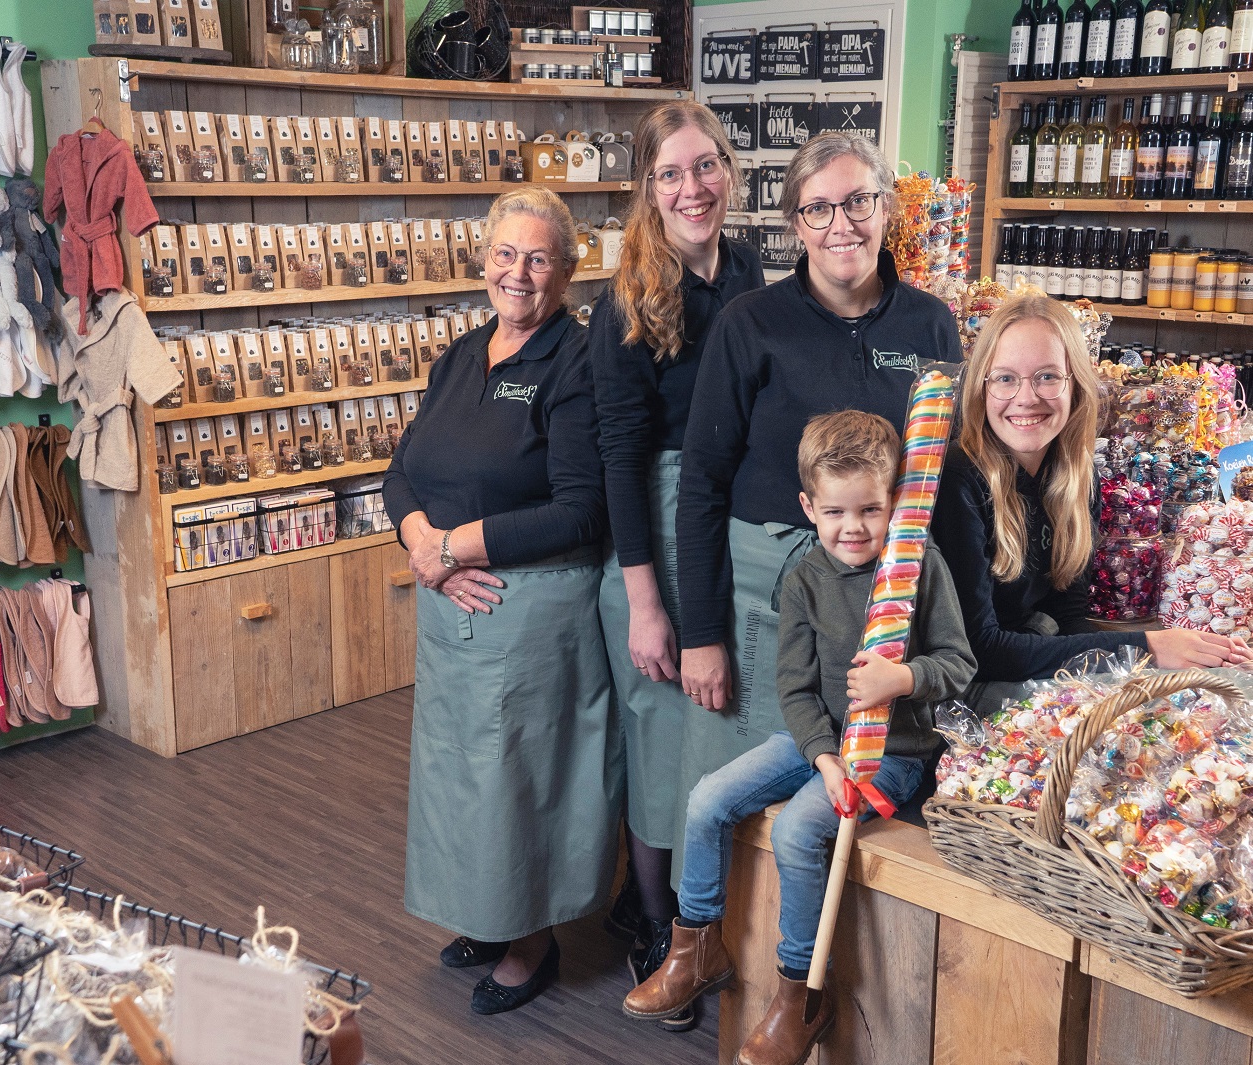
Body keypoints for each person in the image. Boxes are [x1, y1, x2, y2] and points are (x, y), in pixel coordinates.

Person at [625, 412, 976, 1065]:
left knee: (795, 831)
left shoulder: (919, 567)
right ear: (808, 507)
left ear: (894, 500)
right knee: (706, 798)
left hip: (892, 752)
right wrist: (822, 757)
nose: (855, 527)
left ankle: (800, 995)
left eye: (871, 508)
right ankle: (696, 943)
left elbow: (959, 665)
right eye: (836, 510)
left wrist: (902, 676)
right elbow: (794, 688)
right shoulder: (807, 576)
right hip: (818, 741)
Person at [672, 132, 962, 865]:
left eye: (859, 201)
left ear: (886, 207)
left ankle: (802, 966)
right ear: (794, 224)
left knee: (832, 813)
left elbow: (938, 479)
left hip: (885, 600)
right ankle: (709, 943)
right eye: (819, 208)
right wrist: (701, 632)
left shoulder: (930, 324)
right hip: (765, 596)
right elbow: (701, 481)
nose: (843, 224)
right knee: (736, 795)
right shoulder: (750, 322)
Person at [382, 187, 621, 1016]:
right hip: (450, 606)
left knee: (521, 780)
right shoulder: (460, 355)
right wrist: (423, 543)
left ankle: (531, 939)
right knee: (461, 777)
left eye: (539, 257)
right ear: (484, 258)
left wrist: (456, 547)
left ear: (567, 270)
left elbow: (580, 508)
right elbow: (400, 468)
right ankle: (486, 916)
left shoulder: (577, 361)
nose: (519, 272)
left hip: (534, 612)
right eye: (506, 254)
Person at [588, 99, 763, 1009]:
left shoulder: (748, 269)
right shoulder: (625, 295)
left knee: (711, 740)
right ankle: (660, 930)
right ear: (647, 189)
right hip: (653, 530)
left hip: (725, 519)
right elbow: (620, 456)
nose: (692, 187)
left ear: (728, 172)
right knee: (660, 747)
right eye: (671, 173)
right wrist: (648, 604)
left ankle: (695, 915)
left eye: (705, 167)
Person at [933, 294, 1251, 703]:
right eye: (1005, 378)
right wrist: (1147, 648)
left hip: (1028, 662)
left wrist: (1116, 680)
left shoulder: (1075, 477)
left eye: (1047, 376)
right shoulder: (958, 481)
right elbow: (981, 651)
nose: (1027, 397)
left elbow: (1068, 616)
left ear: (1075, 385)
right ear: (981, 387)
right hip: (962, 690)